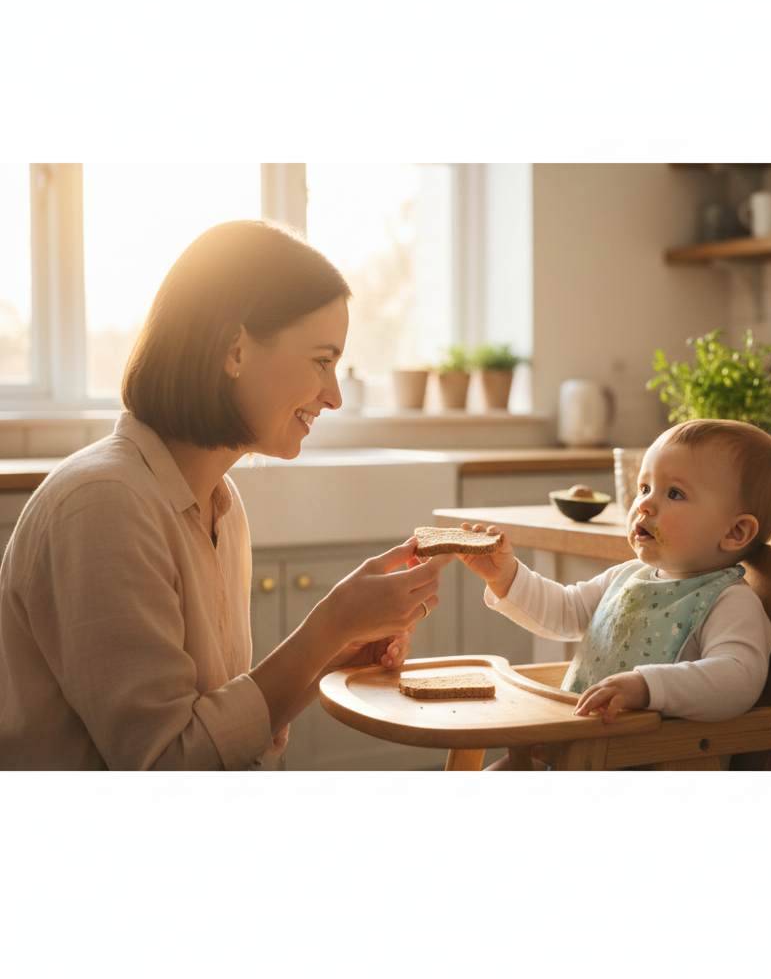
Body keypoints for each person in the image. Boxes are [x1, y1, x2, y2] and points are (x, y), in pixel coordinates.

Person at [0, 219, 452, 769]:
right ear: (233, 349)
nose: (333, 396)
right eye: (322, 361)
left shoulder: (221, 503)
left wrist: (333, 655)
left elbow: (220, 730)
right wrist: (328, 624)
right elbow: (170, 766)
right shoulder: (103, 505)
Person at [456, 418, 771, 765]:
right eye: (644, 488)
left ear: (736, 532)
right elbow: (564, 611)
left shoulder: (729, 601)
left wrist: (646, 687)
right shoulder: (625, 576)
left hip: (653, 763)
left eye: (674, 493)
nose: (644, 505)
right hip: (576, 751)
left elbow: (737, 679)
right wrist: (507, 576)